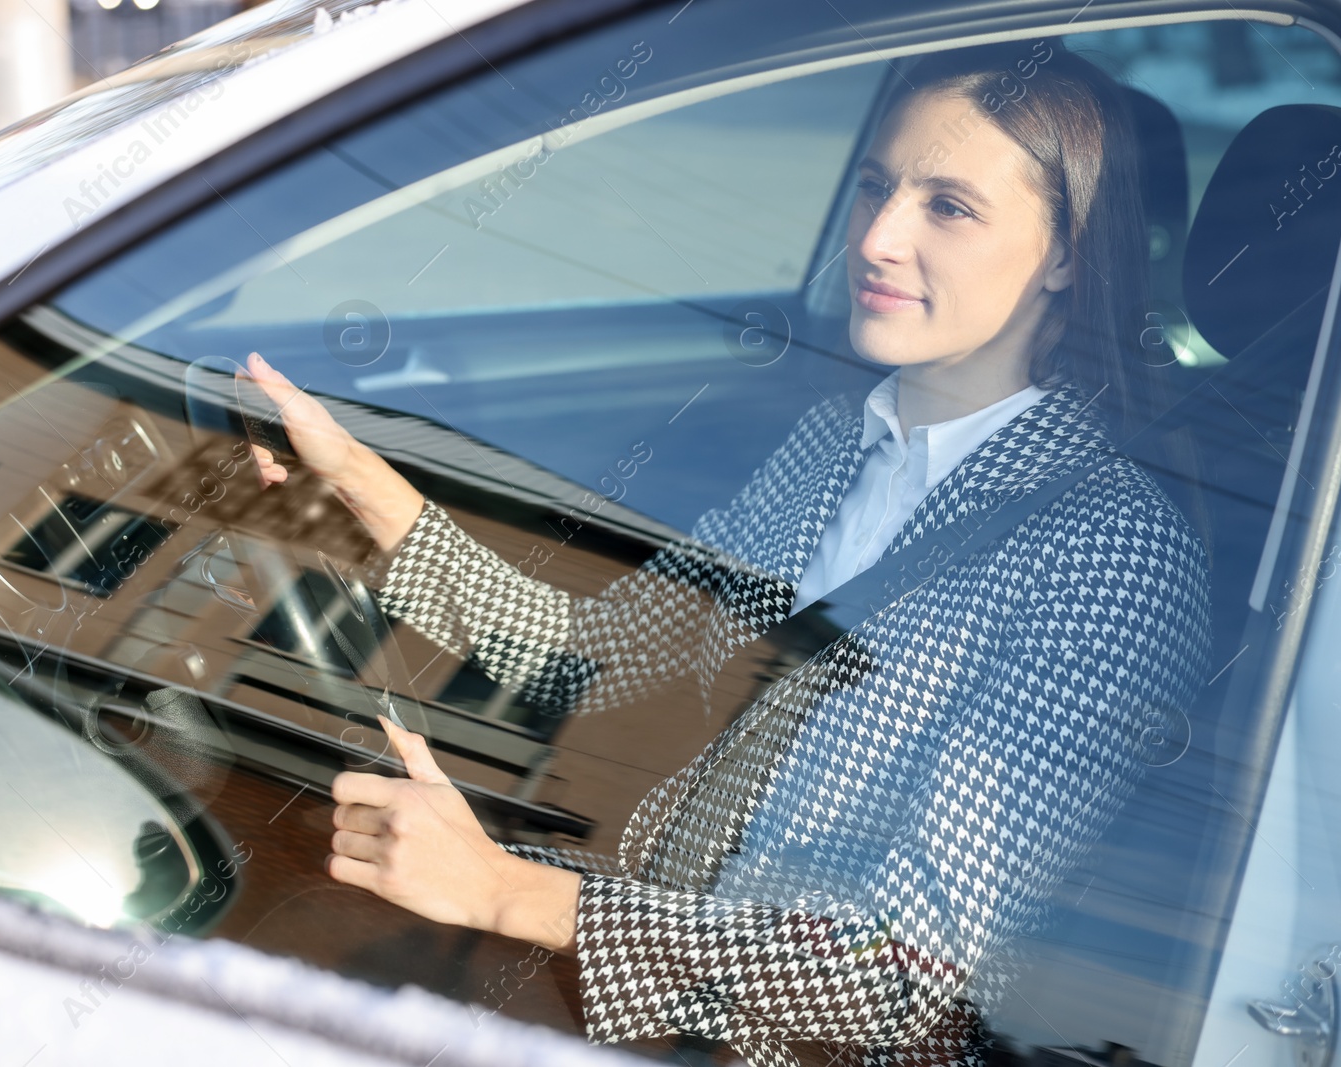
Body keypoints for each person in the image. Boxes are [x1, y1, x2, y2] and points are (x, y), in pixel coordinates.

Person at [243, 40, 1210, 1067]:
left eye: (948, 207)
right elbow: (588, 654)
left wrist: (506, 890)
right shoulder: (831, 445)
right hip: (661, 979)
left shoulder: (1111, 552)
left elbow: (900, 971)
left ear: (1066, 253)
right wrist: (359, 487)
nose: (877, 237)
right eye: (877, 187)